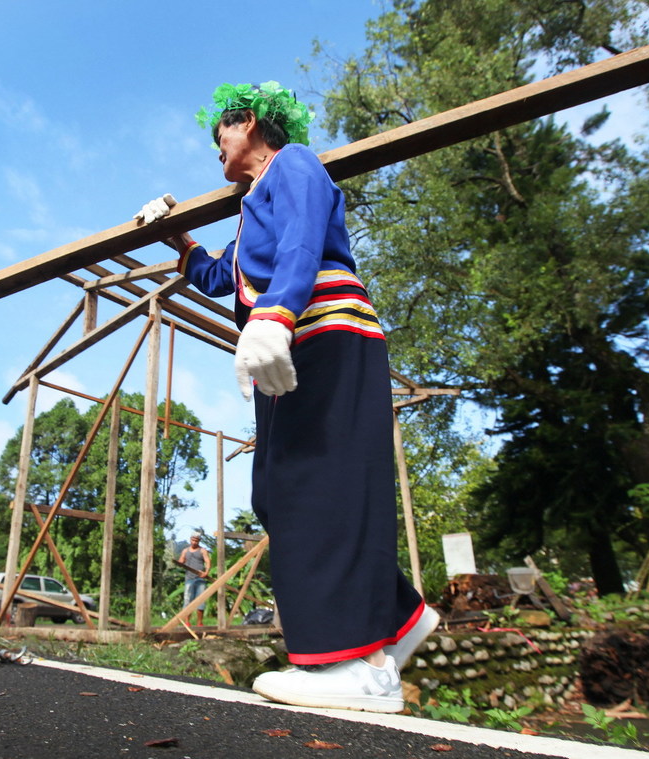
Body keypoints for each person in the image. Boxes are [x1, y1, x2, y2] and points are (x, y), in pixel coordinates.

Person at [138, 81, 440, 713]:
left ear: (247, 122)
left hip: (323, 328)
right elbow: (223, 275)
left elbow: (304, 237)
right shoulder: (251, 208)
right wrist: (179, 241)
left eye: (217, 132)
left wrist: (275, 315)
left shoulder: (295, 163)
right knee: (274, 493)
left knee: (316, 483)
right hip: (285, 343)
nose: (213, 147)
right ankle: (397, 616)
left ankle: (353, 665)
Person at [178, 531, 211, 626]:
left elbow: (207, 562)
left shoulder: (202, 551)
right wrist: (180, 562)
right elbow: (182, 560)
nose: (194, 542)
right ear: (190, 539)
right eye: (193, 540)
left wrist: (206, 572)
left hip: (200, 579)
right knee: (187, 600)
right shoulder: (185, 550)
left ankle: (199, 622)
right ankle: (187, 622)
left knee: (200, 600)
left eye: (196, 541)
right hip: (189, 578)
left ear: (199, 541)